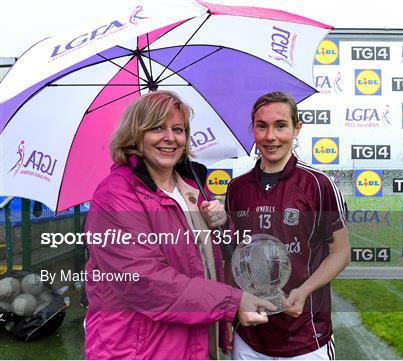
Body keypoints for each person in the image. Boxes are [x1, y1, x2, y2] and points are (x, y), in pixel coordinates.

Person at [84, 90, 275, 360]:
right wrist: (232, 302)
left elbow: (210, 258)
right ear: (135, 135)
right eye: (157, 128)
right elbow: (145, 283)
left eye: (178, 129)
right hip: (138, 350)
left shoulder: (192, 186)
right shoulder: (115, 196)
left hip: (194, 342)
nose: (170, 138)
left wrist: (221, 224)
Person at [225, 92, 351, 359]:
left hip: (306, 337)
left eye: (281, 125)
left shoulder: (318, 184)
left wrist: (304, 290)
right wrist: (235, 305)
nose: (271, 136)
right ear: (254, 130)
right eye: (262, 126)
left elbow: (340, 253)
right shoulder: (237, 189)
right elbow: (231, 257)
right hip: (250, 339)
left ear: (297, 129)